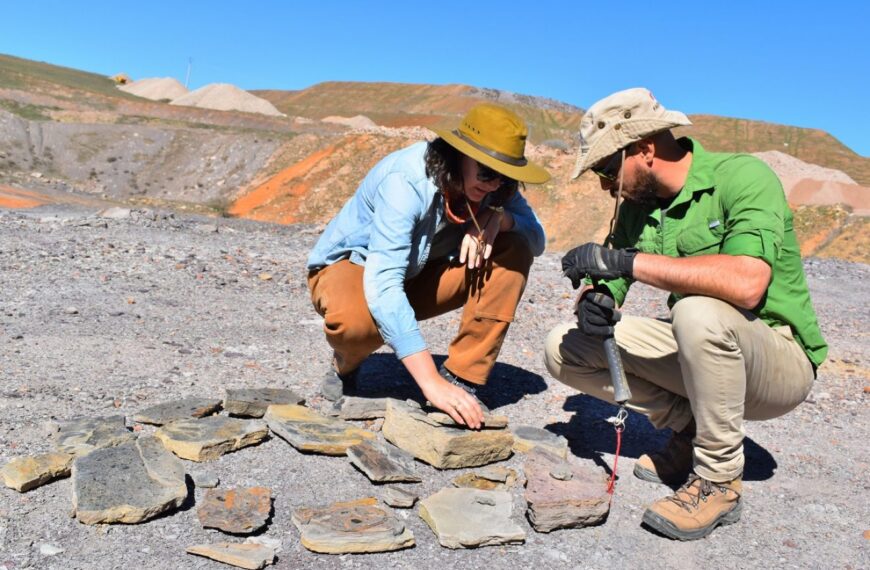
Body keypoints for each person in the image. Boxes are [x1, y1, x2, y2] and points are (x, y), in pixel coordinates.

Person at [544, 88, 827, 540]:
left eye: (606, 168)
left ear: (644, 149)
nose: (603, 184)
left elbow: (747, 284)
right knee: (563, 348)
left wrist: (626, 263)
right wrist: (596, 300)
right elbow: (610, 277)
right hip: (707, 351)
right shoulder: (637, 206)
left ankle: (718, 481)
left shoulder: (744, 177)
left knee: (697, 312)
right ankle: (693, 431)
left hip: (778, 364)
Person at [308, 103, 550, 429]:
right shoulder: (405, 181)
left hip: (417, 275)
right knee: (357, 325)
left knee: (515, 247)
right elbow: (383, 284)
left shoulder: (495, 190)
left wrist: (498, 218)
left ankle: (462, 380)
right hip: (355, 266)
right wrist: (430, 382)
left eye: (505, 179)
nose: (494, 185)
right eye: (487, 173)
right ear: (457, 156)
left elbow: (537, 240)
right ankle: (345, 365)